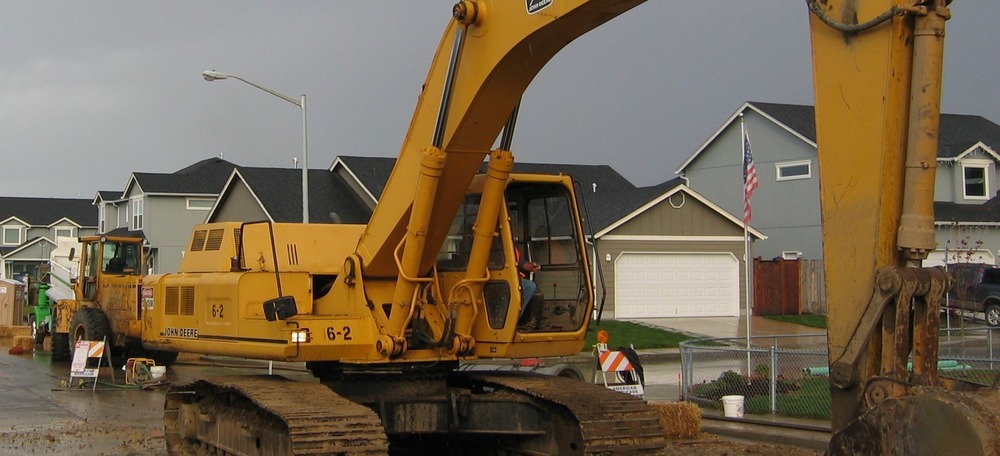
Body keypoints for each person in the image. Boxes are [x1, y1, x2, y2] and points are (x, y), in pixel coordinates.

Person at [515, 246, 540, 324]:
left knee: (534, 287)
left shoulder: (510, 243)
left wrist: (530, 267)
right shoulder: (495, 243)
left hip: (514, 278)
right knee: (529, 286)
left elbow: (519, 261)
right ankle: (514, 319)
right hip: (503, 278)